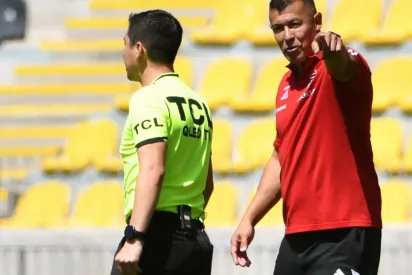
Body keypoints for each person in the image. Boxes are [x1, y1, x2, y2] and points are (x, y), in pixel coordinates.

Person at [230, 0, 382, 274]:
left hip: (345, 230)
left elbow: (343, 67)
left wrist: (333, 52)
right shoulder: (285, 85)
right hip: (296, 236)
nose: (287, 36)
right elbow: (280, 156)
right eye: (278, 28)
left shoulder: (340, 62)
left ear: (317, 22)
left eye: (294, 24)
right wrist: (249, 218)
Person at [111, 10, 214, 275]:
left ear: (139, 48)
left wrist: (135, 236)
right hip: (195, 242)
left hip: (157, 240)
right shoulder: (198, 103)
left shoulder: (148, 99)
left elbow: (153, 169)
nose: (122, 53)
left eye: (125, 43)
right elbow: (207, 184)